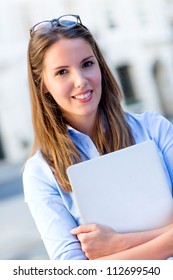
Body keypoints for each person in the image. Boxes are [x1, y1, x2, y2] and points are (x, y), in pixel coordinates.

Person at [23, 14, 173, 260]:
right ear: (43, 85)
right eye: (62, 72)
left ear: (100, 66)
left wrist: (117, 244)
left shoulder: (154, 130)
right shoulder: (40, 173)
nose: (80, 81)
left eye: (87, 64)